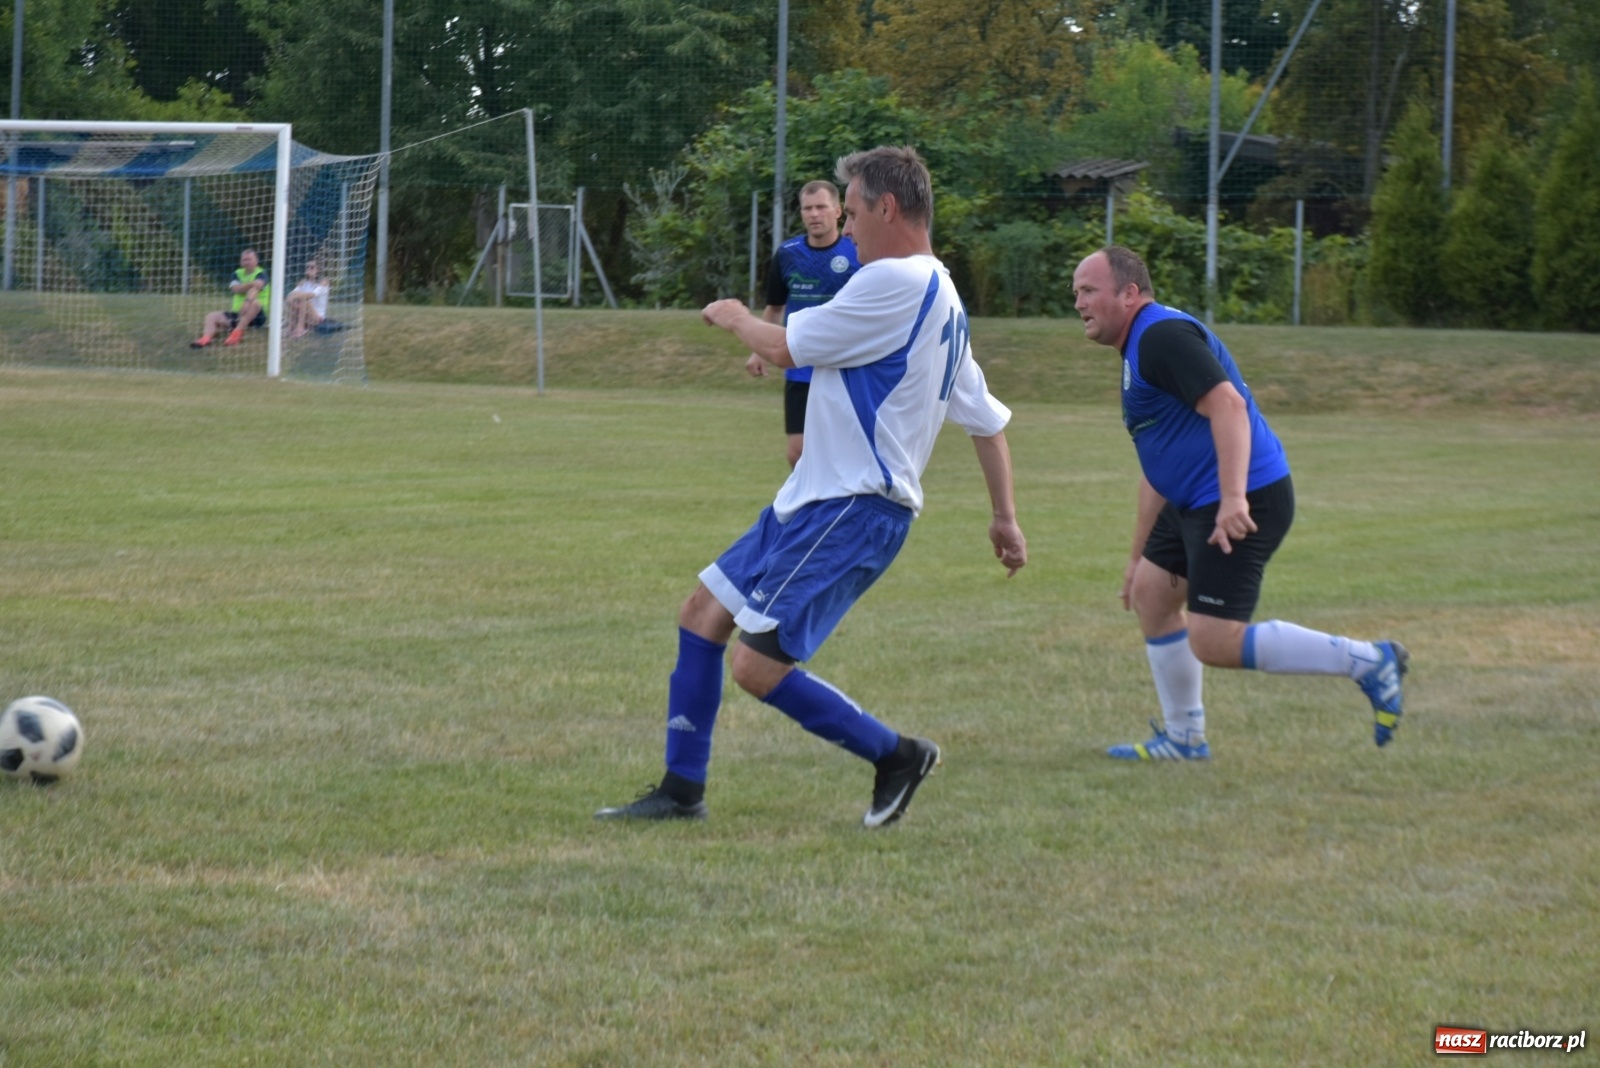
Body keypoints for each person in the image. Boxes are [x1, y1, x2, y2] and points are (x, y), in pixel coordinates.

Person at [597, 145, 1028, 827]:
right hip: (815, 498)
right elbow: (986, 420)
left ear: (886, 208)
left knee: (755, 667)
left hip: (853, 506)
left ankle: (897, 755)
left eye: (852, 211)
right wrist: (1004, 517)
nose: (846, 227)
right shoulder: (942, 297)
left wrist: (738, 316)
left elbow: (783, 347)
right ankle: (681, 791)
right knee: (702, 614)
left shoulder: (898, 283)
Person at [1070, 246, 1408, 760]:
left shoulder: (1159, 337)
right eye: (1076, 293)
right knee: (1153, 596)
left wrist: (1232, 499)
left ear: (1130, 294)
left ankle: (1369, 661)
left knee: (1214, 639)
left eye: (1089, 290)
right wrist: (1136, 557)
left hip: (1241, 497)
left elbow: (1228, 404)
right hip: (1195, 499)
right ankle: (1184, 739)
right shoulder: (1140, 346)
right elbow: (1159, 463)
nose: (1079, 302)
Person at [745, 181, 861, 468]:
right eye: (807, 208)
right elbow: (774, 308)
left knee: (843, 449)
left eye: (821, 207)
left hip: (844, 366)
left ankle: (840, 506)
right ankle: (809, 508)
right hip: (801, 366)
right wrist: (758, 351)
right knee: (797, 452)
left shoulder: (857, 252)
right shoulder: (788, 254)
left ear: (837, 211)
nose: (814, 214)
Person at [191, 248, 270, 348]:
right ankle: (205, 339)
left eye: (249, 259)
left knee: (255, 303)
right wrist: (251, 284)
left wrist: (247, 302)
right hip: (238, 314)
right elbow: (235, 289)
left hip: (257, 317)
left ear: (256, 260)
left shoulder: (262, 273)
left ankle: (236, 333)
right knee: (211, 316)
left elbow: (257, 286)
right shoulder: (237, 274)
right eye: (244, 260)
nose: (247, 262)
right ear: (241, 261)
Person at [286, 259, 330, 338]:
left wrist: (297, 295)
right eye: (307, 267)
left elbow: (312, 295)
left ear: (318, 270)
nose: (309, 269)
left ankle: (300, 329)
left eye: (312, 267)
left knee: (304, 299)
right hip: (304, 314)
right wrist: (293, 297)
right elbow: (290, 296)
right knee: (296, 300)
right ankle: (291, 327)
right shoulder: (303, 282)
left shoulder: (323, 282)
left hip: (317, 318)